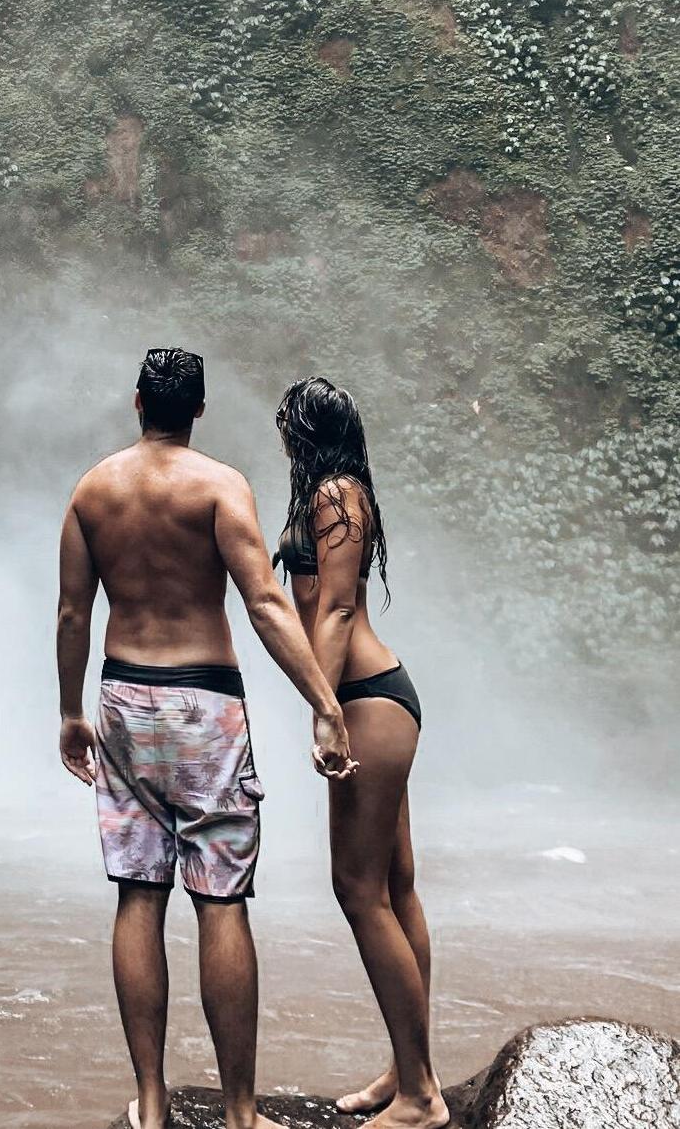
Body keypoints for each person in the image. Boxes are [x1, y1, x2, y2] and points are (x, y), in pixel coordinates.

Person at [56, 348, 357, 1129]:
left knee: (138, 894)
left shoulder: (93, 490)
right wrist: (324, 703)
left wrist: (69, 712)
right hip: (206, 706)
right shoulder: (222, 487)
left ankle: (152, 1104)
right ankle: (239, 1113)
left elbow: (71, 616)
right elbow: (263, 601)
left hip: (123, 698)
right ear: (198, 409)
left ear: (136, 403)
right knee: (221, 902)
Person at [273, 377, 446, 1129]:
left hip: (366, 699)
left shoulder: (334, 496)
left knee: (358, 890)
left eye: (288, 425)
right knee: (397, 885)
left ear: (306, 430)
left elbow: (338, 607)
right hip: (374, 697)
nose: (282, 436)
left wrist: (323, 712)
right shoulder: (339, 491)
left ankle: (419, 1097)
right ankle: (408, 1071)